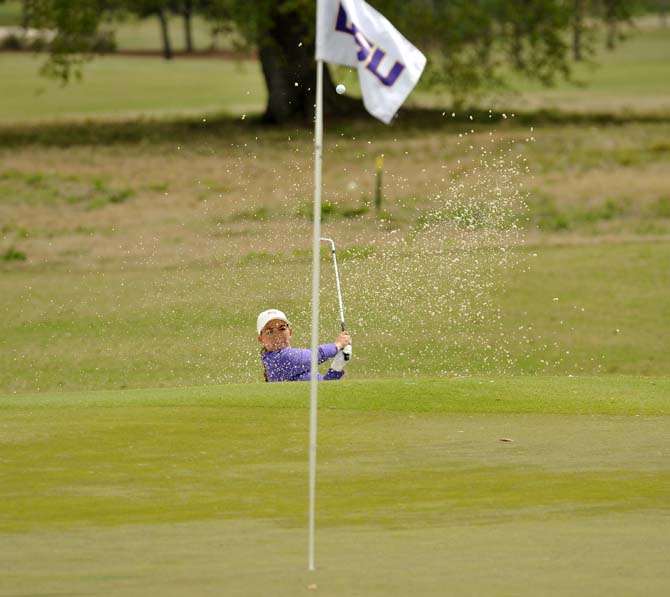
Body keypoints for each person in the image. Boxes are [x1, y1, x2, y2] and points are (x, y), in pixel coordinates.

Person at [257, 308, 351, 382]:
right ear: (261, 339)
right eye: (269, 332)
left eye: (281, 329)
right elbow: (314, 356)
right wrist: (338, 345)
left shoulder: (292, 363)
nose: (277, 335)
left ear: (290, 332)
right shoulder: (277, 360)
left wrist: (336, 367)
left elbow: (322, 390)